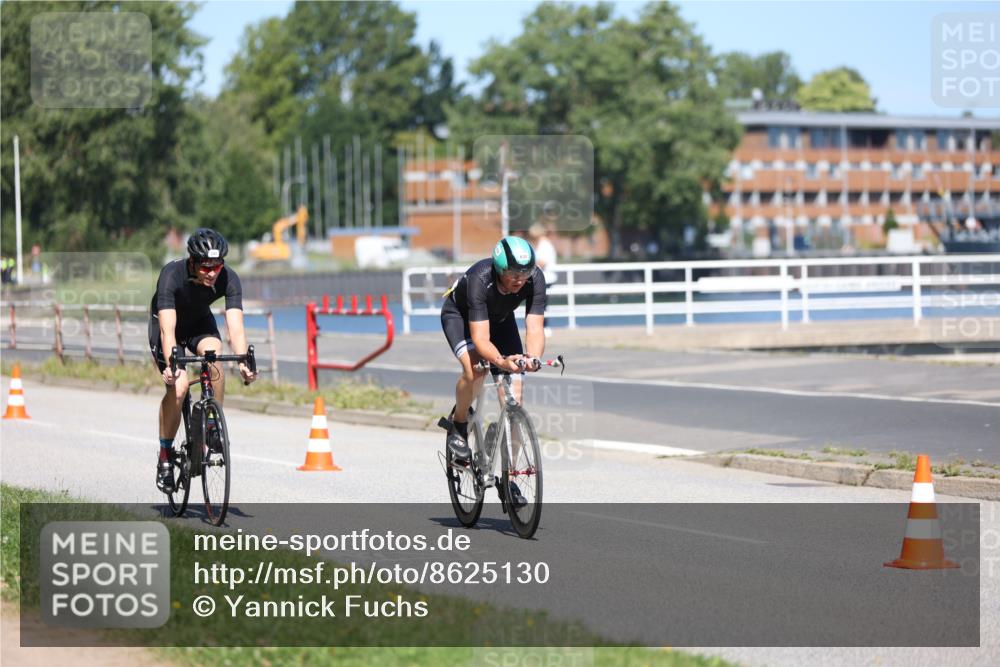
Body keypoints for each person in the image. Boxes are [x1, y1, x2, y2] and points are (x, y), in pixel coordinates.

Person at [148, 228, 257, 493]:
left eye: (216, 267)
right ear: (192, 262)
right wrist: (174, 367)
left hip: (199, 323)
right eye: (205, 267)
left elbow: (236, 327)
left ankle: (211, 425)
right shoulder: (171, 275)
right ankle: (165, 456)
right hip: (168, 328)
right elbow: (168, 331)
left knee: (215, 359)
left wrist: (243, 360)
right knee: (181, 387)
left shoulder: (229, 278)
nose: (212, 273)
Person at [440, 236, 546, 495]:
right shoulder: (480, 277)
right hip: (462, 319)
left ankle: (510, 479)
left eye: (525, 272)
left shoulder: (535, 279)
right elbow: (480, 339)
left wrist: (530, 358)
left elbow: (535, 327)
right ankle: (460, 424)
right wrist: (501, 361)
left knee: (515, 398)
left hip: (500, 321)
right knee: (477, 369)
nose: (519, 279)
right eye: (512, 273)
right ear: (499, 269)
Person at [528, 224, 558, 336]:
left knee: (542, 304)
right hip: (545, 277)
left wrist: (529, 263)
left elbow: (542, 262)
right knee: (542, 304)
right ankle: (543, 327)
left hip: (546, 278)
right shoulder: (543, 244)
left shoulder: (544, 245)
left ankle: (545, 327)